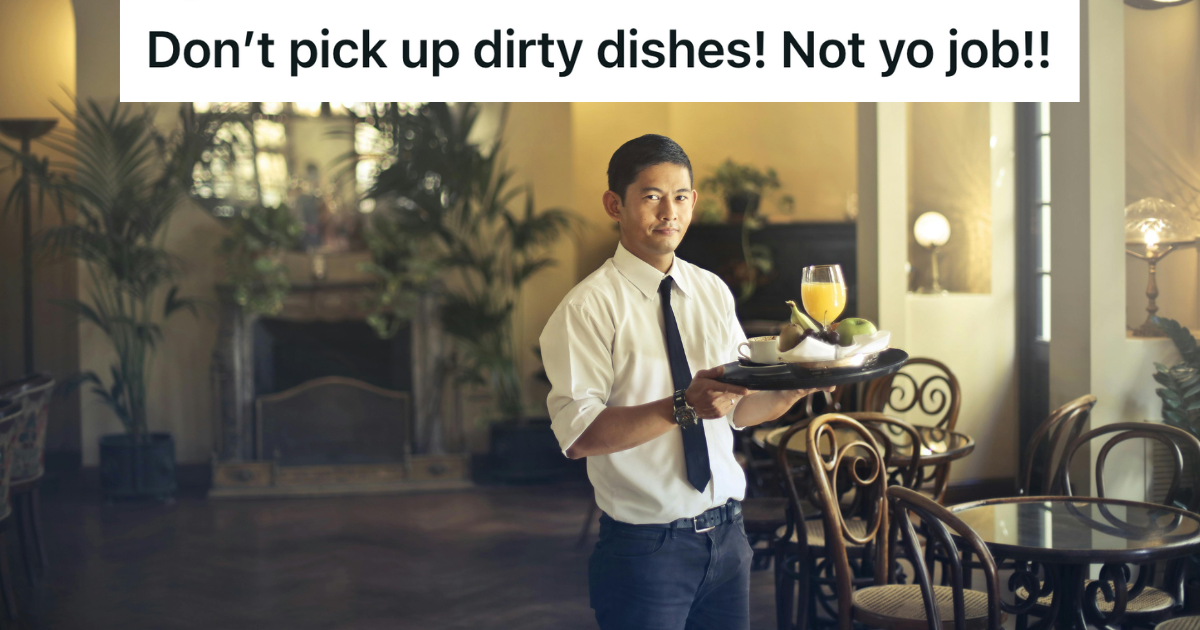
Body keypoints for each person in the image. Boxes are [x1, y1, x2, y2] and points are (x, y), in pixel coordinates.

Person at [539, 134, 826, 630]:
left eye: (681, 197)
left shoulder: (711, 290)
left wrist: (797, 387)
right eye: (651, 196)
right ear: (615, 204)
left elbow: (737, 410)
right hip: (645, 551)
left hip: (729, 540)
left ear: (693, 202)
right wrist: (683, 406)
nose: (668, 211)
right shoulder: (586, 308)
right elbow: (579, 436)